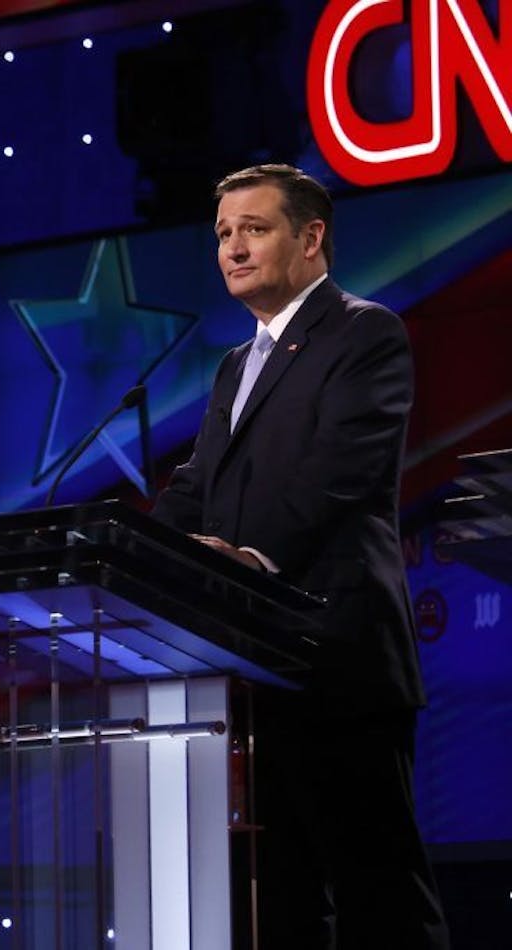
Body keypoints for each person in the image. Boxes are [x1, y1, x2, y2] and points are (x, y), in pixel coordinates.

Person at [151, 164, 448, 947]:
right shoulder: (233, 365)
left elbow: (339, 474)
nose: (233, 250)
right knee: (279, 899)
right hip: (253, 670)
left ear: (311, 238)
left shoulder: (363, 333)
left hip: (339, 656)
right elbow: (196, 486)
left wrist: (244, 555)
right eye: (222, 234)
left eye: (254, 229)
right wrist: (137, 551)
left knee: (379, 894)